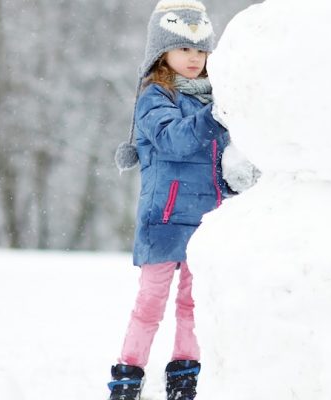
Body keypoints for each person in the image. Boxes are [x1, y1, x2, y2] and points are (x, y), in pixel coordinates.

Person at [109, 1, 229, 399]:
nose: (194, 58)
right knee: (150, 304)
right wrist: (216, 114)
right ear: (163, 53)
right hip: (164, 218)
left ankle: (183, 376)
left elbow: (223, 160)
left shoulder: (215, 99)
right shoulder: (156, 98)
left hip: (208, 223)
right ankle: (129, 374)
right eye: (184, 50)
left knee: (192, 306)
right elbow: (175, 140)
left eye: (200, 50)